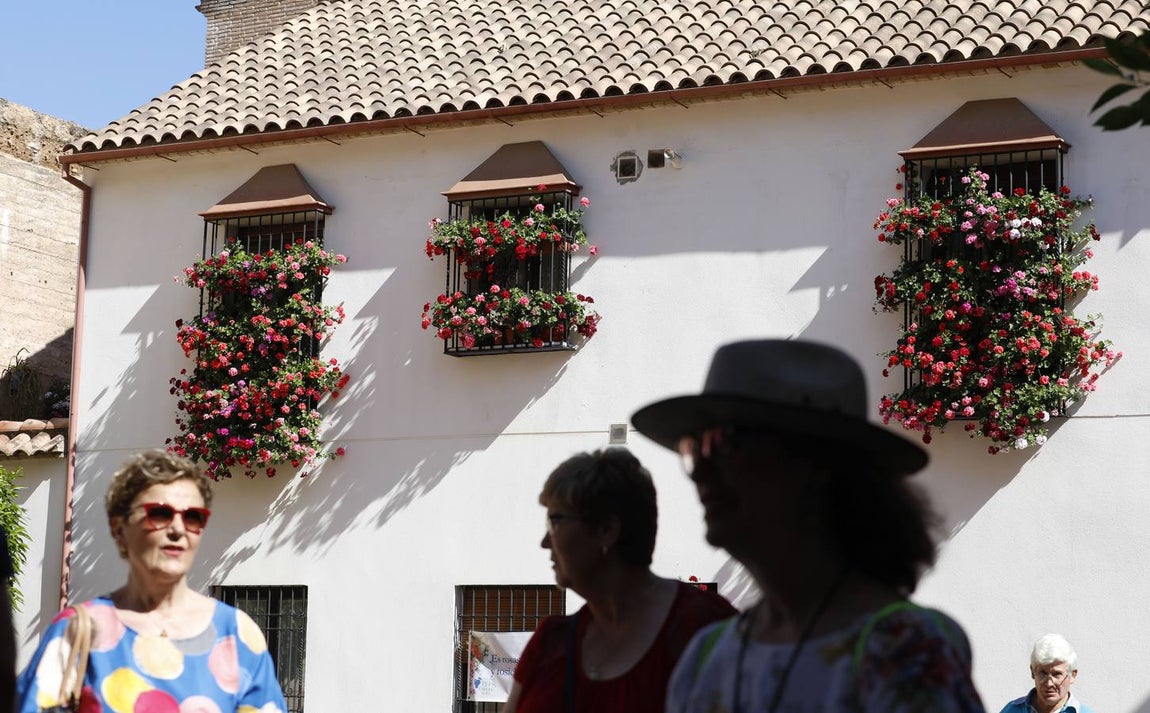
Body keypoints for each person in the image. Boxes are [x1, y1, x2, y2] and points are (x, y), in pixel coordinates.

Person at [631, 339, 986, 712]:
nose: (701, 471)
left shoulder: (904, 651)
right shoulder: (706, 658)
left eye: (724, 441)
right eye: (696, 446)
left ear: (814, 463)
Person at [16, 450, 286, 713]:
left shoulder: (236, 635)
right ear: (119, 528)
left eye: (193, 517)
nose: (178, 530)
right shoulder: (76, 631)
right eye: (160, 513)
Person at [504, 448, 735, 713]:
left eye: (556, 521)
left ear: (606, 530)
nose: (545, 542)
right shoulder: (550, 643)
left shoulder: (704, 629)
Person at [999, 634, 1095, 713]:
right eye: (1043, 673)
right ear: (1033, 673)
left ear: (1072, 675)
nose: (1049, 683)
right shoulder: (1012, 710)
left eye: (1057, 674)